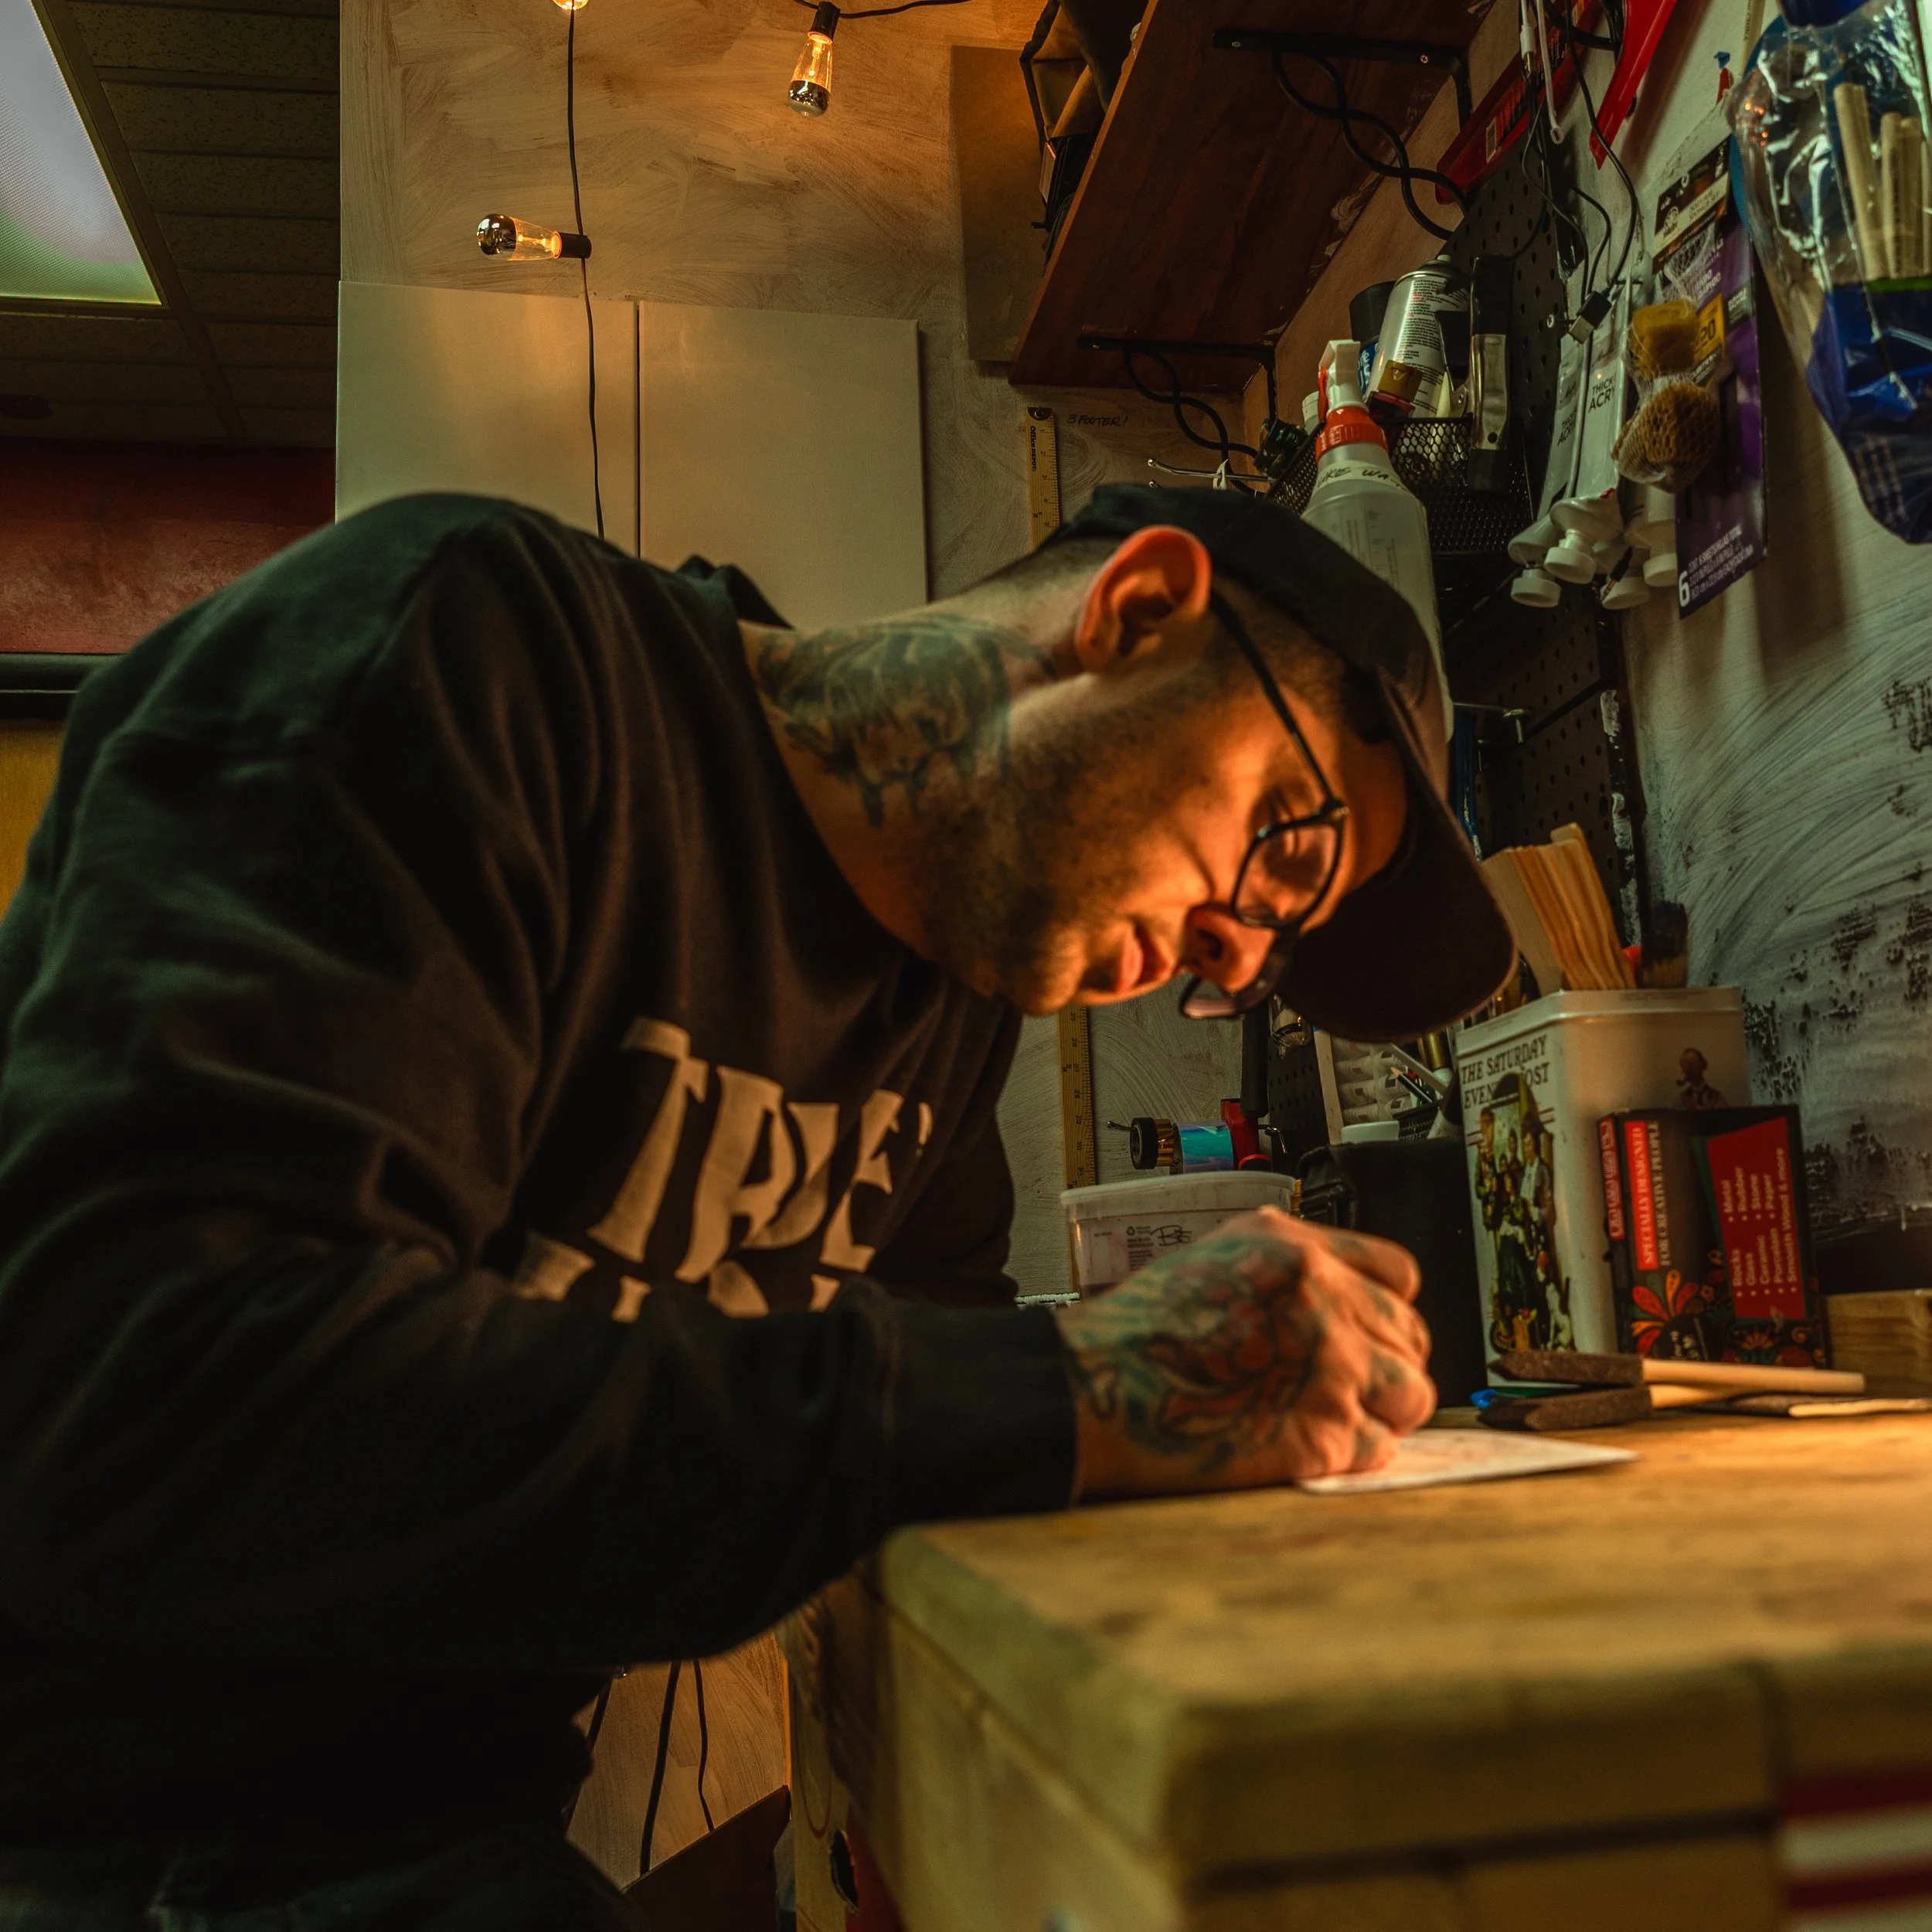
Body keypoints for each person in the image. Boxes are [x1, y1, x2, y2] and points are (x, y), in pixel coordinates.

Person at [0, 485, 1514, 1927]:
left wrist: (1190, 1431)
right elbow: (159, 1389)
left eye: (1285, 940)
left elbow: (933, 1380)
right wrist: (1087, 1387)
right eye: (1289, 847)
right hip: (102, 1824)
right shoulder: (467, 651)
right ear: (1140, 610)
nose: (1232, 971)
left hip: (461, 1818)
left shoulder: (952, 989)